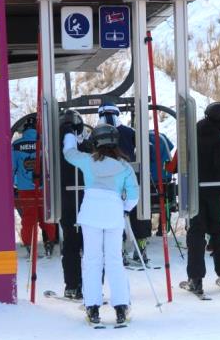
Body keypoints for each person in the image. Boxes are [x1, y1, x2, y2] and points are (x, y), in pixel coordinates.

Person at [62, 122, 139, 326]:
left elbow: (69, 153)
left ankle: (92, 307)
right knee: (114, 260)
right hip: (113, 214)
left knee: (92, 261)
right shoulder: (125, 167)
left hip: (90, 214)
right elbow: (133, 196)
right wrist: (123, 209)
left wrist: (70, 133)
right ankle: (121, 307)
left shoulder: (88, 161)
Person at [185, 102, 220, 295]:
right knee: (218, 232)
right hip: (214, 192)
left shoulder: (192, 134)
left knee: (196, 234)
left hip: (195, 191)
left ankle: (196, 278)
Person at [97, 102, 150, 262]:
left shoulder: (96, 133)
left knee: (113, 214)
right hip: (130, 176)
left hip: (107, 181)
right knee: (136, 212)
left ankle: (118, 249)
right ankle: (141, 248)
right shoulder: (129, 132)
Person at [12, 115, 56, 258]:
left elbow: (11, 169)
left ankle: (28, 245)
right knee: (46, 215)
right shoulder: (46, 143)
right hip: (44, 187)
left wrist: (14, 184)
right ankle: (50, 242)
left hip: (25, 188)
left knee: (29, 217)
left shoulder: (16, 145)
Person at [58, 109, 89, 300]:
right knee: (92, 247)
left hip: (66, 201)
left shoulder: (56, 148)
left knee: (70, 243)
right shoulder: (88, 145)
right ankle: (93, 285)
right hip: (88, 201)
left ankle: (72, 285)